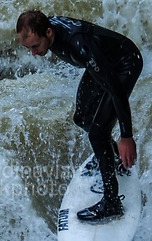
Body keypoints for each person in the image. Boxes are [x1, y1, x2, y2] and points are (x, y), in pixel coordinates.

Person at [16, 10, 143, 222]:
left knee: (97, 132)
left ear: (48, 32)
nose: (34, 53)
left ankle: (112, 203)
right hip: (101, 64)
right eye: (28, 48)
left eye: (35, 46)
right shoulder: (49, 30)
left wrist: (126, 136)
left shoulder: (80, 45)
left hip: (124, 63)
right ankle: (112, 157)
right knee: (82, 118)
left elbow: (116, 91)